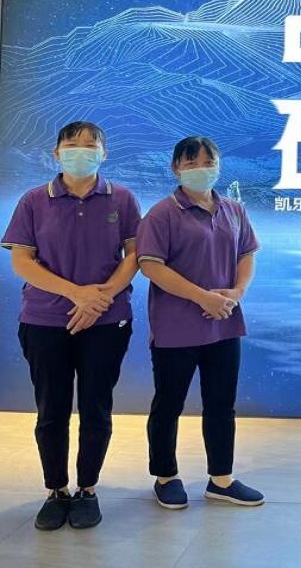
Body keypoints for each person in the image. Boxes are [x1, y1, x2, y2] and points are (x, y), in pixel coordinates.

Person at [1, 121, 140, 530]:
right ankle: (56, 490)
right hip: (45, 320)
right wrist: (77, 294)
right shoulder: (34, 200)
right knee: (51, 409)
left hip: (107, 321)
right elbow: (22, 261)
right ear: (57, 152)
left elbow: (134, 256)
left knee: (96, 407)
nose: (82, 150)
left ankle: (87, 489)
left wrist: (99, 300)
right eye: (72, 144)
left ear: (104, 153)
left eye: (91, 145)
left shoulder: (123, 198)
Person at [136, 135, 263, 509]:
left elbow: (246, 255)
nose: (201, 169)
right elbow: (151, 266)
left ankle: (221, 479)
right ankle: (165, 476)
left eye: (209, 163)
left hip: (224, 324)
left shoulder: (234, 210)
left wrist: (236, 292)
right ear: (176, 168)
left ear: (219, 167)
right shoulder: (162, 214)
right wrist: (202, 297)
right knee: (169, 404)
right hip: (176, 327)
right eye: (191, 163)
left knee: (222, 404)